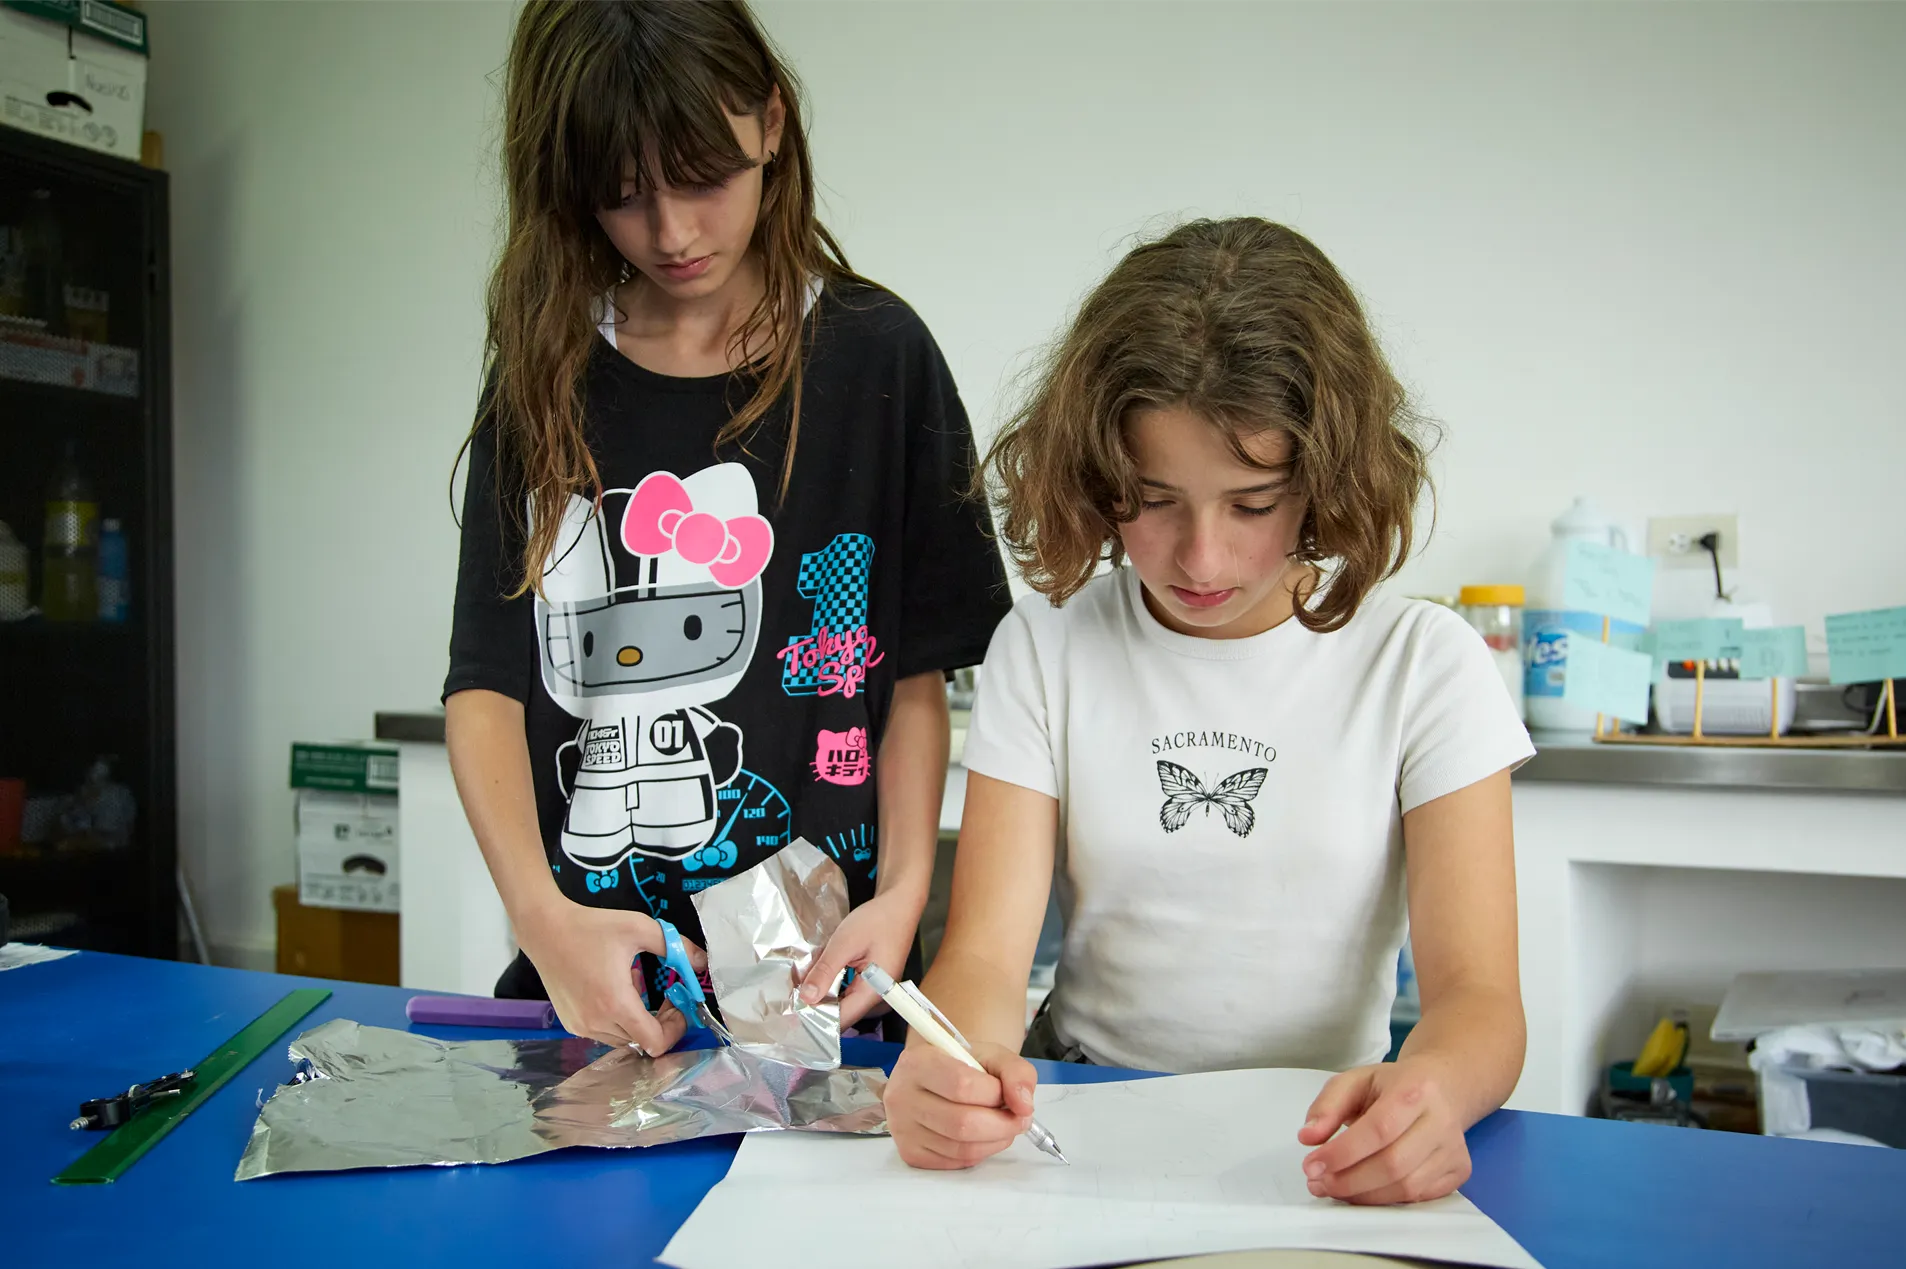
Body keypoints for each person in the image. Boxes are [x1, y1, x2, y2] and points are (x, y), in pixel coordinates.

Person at [864, 218, 1533, 1204]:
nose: (1200, 559)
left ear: (1324, 481)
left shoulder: (1425, 667)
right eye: (1153, 500)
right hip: (1085, 1114)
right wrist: (951, 1060)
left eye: (1253, 505)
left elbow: (1480, 1003)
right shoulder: (1048, 646)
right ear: (1099, 477)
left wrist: (1428, 1093)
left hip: (1314, 1140)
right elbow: (985, 960)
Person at [444, 0, 1007, 1057]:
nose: (673, 233)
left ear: (772, 126)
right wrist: (541, 918)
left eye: (705, 178)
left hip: (838, 981)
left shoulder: (877, 357)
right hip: (602, 986)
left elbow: (916, 682)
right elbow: (486, 683)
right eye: (623, 197)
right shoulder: (544, 374)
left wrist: (908, 899)